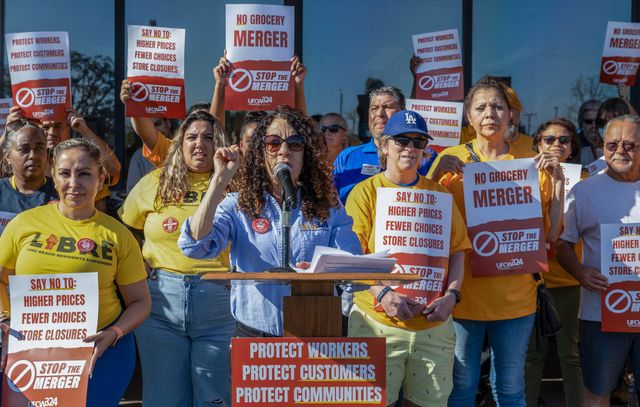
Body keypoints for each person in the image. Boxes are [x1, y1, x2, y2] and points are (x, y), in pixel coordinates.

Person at [427, 79, 565, 406]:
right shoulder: (449, 159)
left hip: (515, 298)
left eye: (497, 106)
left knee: (510, 386)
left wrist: (558, 181)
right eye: (481, 107)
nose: (490, 113)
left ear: (510, 116)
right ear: (468, 118)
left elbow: (550, 236)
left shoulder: (532, 163)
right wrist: (433, 176)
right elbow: (424, 223)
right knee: (461, 384)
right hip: (462, 296)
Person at [178, 106, 362, 337]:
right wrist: (219, 181)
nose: (284, 151)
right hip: (255, 337)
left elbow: (353, 265)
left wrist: (319, 270)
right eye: (273, 143)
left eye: (295, 143)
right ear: (260, 152)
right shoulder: (238, 204)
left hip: (317, 332)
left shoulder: (328, 206)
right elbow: (194, 246)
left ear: (306, 154)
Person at [0, 138, 150, 407]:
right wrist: (4, 317)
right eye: (65, 173)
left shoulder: (118, 235)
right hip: (31, 350)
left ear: (101, 178)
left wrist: (115, 332)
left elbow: (140, 302)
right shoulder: (24, 224)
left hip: (101, 351)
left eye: (84, 174)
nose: (73, 183)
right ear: (53, 177)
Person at [346, 110, 470, 407]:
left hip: (432, 326)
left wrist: (452, 296)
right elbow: (352, 258)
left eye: (418, 142)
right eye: (402, 140)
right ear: (384, 146)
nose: (410, 148)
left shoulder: (440, 195)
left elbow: (457, 251)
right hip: (376, 321)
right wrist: (383, 292)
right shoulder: (364, 193)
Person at [119, 111, 234, 406]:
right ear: (179, 143)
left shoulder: (236, 184)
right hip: (160, 305)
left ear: (219, 144)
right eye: (192, 137)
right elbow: (123, 228)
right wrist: (138, 266)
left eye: (209, 137)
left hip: (221, 306)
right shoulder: (153, 183)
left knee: (216, 397)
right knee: (164, 397)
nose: (200, 144)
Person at [555, 114, 640, 406]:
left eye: (630, 145)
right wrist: (580, 272)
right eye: (612, 145)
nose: (620, 152)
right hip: (600, 313)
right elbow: (563, 244)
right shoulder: (584, 190)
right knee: (596, 392)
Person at [524, 118, 583, 407]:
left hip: (569, 280)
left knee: (569, 355)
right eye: (549, 139)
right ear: (537, 144)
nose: (556, 145)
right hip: (533, 279)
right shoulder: (522, 179)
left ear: (573, 148)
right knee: (533, 355)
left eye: (564, 140)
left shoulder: (586, 181)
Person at [2, 106, 121, 210]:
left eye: (58, 126)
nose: (51, 132)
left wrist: (84, 130)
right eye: (45, 127)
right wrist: (7, 134)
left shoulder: (82, 159)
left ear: (69, 128)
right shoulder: (13, 170)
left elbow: (113, 169)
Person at [333, 86, 438, 203]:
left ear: (403, 112)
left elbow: (434, 200)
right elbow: (329, 204)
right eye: (374, 108)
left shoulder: (424, 156)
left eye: (387, 107)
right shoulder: (347, 157)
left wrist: (439, 171)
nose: (379, 113)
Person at [0, 120, 57, 226]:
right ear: (7, 156)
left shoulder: (63, 193)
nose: (33, 155)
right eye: (24, 149)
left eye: (39, 148)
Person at [126, 118, 173, 192]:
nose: (153, 130)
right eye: (147, 126)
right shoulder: (138, 156)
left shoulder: (184, 149)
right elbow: (132, 192)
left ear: (168, 123)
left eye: (157, 124)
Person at [576, 99, 602, 167]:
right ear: (581, 123)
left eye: (597, 121)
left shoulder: (613, 144)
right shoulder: (573, 145)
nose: (594, 125)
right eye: (589, 121)